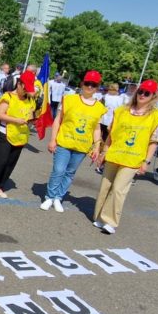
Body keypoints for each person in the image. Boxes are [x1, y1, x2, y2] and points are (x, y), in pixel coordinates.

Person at [92, 79, 158, 234]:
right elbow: (111, 135)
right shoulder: (121, 111)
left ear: (153, 96)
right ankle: (99, 217)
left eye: (147, 93)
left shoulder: (156, 116)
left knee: (119, 189)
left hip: (133, 158)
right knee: (105, 186)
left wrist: (146, 161)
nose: (142, 95)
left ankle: (111, 221)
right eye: (141, 91)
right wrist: (104, 152)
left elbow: (154, 141)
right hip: (114, 154)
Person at [40, 71, 107, 212]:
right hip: (64, 142)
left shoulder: (99, 107)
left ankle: (58, 197)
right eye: (87, 83)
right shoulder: (69, 99)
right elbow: (58, 120)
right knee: (58, 170)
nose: (89, 87)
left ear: (97, 87)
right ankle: (50, 197)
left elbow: (96, 129)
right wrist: (53, 139)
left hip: (82, 146)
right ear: (82, 83)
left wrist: (96, 147)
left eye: (93, 85)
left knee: (70, 173)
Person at [0, 70, 37, 202]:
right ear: (19, 84)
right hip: (5, 133)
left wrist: (32, 118)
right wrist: (16, 120)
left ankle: (0, 187)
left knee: (10, 163)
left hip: (20, 136)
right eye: (24, 88)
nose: (26, 92)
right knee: (1, 162)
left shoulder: (30, 100)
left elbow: (32, 115)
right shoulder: (8, 96)